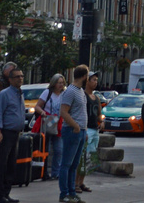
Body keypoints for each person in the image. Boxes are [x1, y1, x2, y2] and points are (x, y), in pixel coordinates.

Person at [0, 65, 26, 203]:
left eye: (22, 76)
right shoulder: (4, 94)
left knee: (11, 165)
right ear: (10, 79)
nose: (20, 79)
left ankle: (6, 193)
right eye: (17, 77)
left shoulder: (20, 94)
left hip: (15, 134)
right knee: (1, 166)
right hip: (5, 133)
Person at [55, 66, 89, 203]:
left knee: (74, 164)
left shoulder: (81, 91)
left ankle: (72, 192)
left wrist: (84, 129)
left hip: (81, 130)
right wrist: (75, 126)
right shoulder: (70, 91)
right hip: (72, 130)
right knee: (66, 164)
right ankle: (64, 194)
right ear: (84, 76)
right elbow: (63, 112)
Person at [78, 73, 104, 194]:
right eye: (93, 80)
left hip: (95, 129)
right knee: (82, 158)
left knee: (90, 159)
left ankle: (81, 182)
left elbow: (98, 113)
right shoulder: (83, 95)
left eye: (96, 80)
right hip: (86, 129)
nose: (95, 82)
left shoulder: (96, 97)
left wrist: (101, 121)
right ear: (87, 81)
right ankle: (76, 183)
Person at [40, 77, 66, 185]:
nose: (60, 85)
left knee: (59, 150)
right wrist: (42, 113)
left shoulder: (64, 94)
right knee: (46, 149)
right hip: (49, 121)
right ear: (53, 83)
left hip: (59, 123)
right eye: (58, 83)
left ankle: (56, 172)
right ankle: (43, 172)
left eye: (62, 83)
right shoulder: (47, 93)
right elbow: (38, 106)